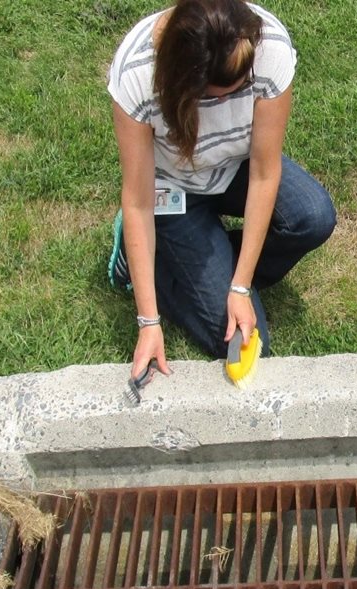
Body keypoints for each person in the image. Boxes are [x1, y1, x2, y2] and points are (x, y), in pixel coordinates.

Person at [107, 0, 335, 379]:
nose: (230, 100)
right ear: (185, 79)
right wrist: (149, 321)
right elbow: (138, 200)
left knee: (312, 216)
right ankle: (150, 263)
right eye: (218, 94)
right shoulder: (137, 72)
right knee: (244, 342)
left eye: (240, 88)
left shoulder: (268, 46)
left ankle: (206, 261)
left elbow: (264, 172)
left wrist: (241, 287)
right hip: (171, 189)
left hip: (237, 169)